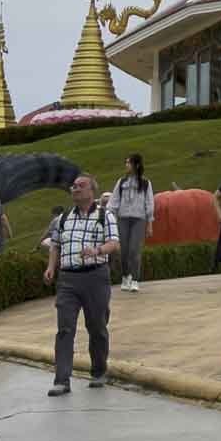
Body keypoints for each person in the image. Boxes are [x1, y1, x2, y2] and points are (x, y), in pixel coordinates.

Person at [43, 173, 118, 395]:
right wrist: (50, 267)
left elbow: (114, 243)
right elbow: (55, 245)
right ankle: (62, 380)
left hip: (96, 277)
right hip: (67, 279)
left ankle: (98, 372)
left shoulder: (105, 216)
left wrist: (97, 251)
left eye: (80, 186)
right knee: (65, 329)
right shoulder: (63, 218)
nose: (74, 189)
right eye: (73, 186)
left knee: (96, 327)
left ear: (91, 191)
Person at [112, 155, 155, 292]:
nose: (126, 165)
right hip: (123, 219)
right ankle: (125, 277)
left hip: (139, 219)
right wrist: (111, 220)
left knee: (134, 250)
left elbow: (149, 203)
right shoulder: (121, 182)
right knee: (124, 251)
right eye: (125, 162)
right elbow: (114, 202)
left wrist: (149, 224)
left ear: (136, 165)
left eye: (128, 163)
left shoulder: (146, 183)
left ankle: (135, 279)